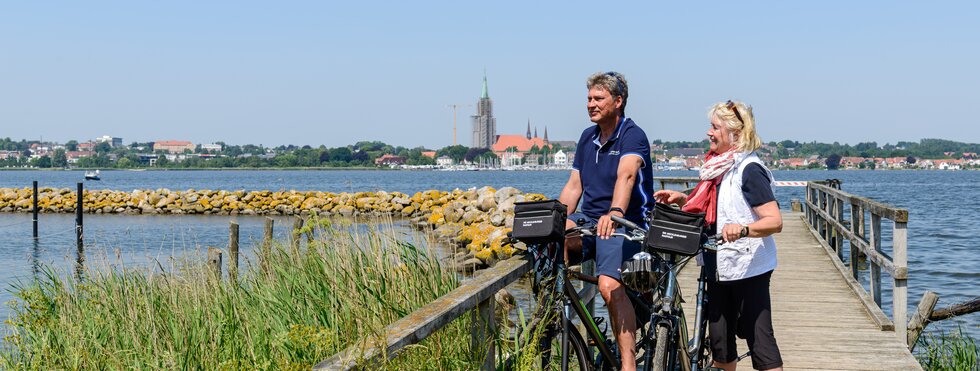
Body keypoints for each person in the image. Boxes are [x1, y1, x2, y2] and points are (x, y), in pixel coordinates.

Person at [653, 100, 783, 371]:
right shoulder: (718, 168)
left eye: (715, 127)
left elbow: (774, 220)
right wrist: (683, 199)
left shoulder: (749, 169)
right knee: (721, 349)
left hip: (749, 269)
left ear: (734, 133)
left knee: (761, 345)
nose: (709, 133)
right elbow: (721, 206)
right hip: (717, 266)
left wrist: (744, 229)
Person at [558, 71, 654, 371]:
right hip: (590, 220)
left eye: (598, 98)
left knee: (609, 285)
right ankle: (556, 318)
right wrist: (556, 219)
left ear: (618, 101)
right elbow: (575, 187)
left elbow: (626, 175)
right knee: (554, 242)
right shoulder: (587, 138)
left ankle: (627, 363)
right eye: (588, 98)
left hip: (628, 223)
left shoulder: (632, 135)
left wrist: (615, 213)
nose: (590, 104)